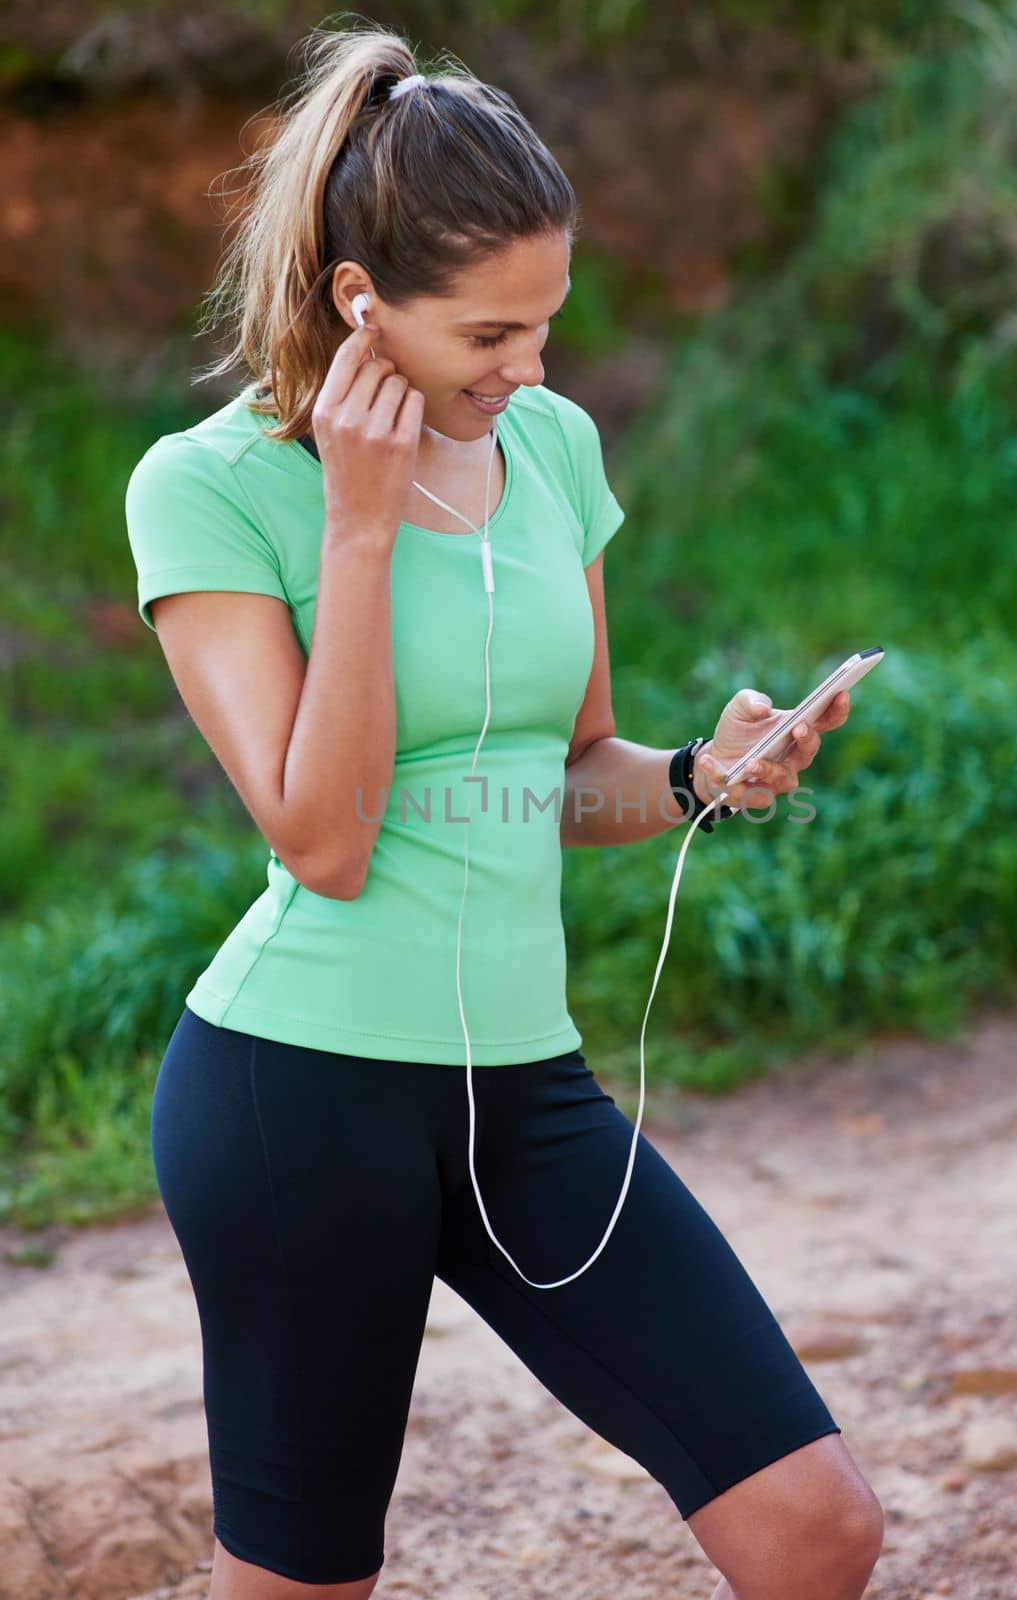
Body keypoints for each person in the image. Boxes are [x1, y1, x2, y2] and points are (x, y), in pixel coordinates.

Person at [125, 21, 880, 1600]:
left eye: (545, 323)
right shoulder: (204, 489)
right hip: (296, 1106)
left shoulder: (551, 448)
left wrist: (693, 777)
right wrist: (359, 527)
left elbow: (569, 770)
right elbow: (320, 846)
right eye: (486, 336)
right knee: (305, 1587)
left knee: (814, 1527)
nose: (528, 370)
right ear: (360, 306)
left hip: (521, 1097)